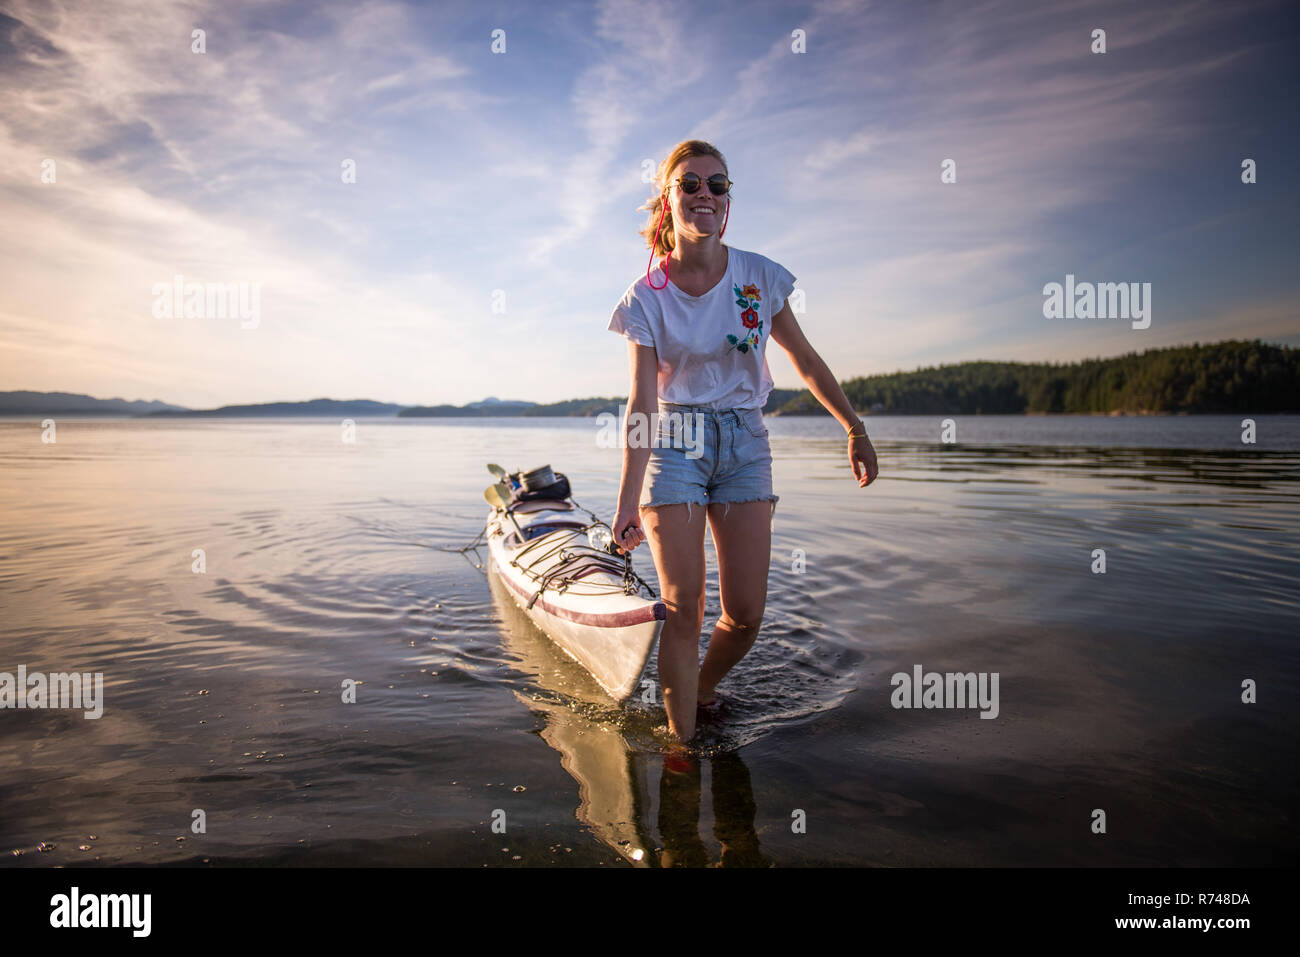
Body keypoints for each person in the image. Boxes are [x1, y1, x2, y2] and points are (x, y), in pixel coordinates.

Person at [607, 139, 878, 744]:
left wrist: (854, 428)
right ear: (668, 199)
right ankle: (680, 752)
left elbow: (804, 359)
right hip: (674, 441)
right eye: (691, 185)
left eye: (717, 184)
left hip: (745, 442)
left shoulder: (760, 276)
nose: (705, 194)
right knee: (683, 608)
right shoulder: (645, 297)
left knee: (747, 613)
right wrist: (627, 502)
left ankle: (702, 687)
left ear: (728, 198)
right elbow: (643, 403)